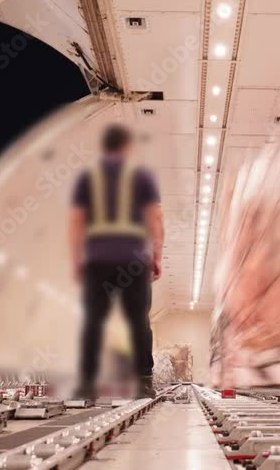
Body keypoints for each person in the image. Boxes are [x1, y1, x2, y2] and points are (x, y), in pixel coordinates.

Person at [71, 123, 164, 401]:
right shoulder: (142, 176)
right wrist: (156, 255)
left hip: (98, 259)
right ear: (127, 147)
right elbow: (155, 218)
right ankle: (143, 382)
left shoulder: (88, 178)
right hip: (133, 259)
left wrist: (78, 259)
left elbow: (76, 221)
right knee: (138, 321)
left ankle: (87, 384)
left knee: (94, 321)